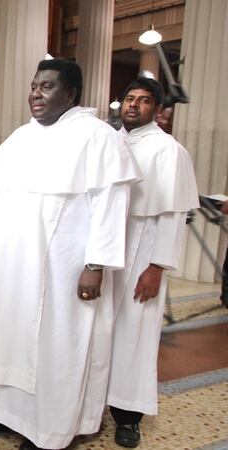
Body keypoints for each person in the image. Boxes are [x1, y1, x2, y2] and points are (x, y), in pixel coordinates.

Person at [0, 59, 140, 450]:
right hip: (9, 263)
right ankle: (4, 410)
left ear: (71, 94)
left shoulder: (97, 136)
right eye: (34, 86)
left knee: (55, 342)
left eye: (46, 87)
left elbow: (110, 205)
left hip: (61, 265)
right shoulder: (17, 138)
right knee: (4, 330)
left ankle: (48, 426)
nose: (36, 94)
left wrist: (95, 265)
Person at [106, 77, 199, 448]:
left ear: (157, 110)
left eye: (144, 101)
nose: (133, 105)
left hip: (142, 250)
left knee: (135, 333)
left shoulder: (168, 150)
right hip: (106, 251)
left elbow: (172, 214)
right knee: (99, 331)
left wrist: (157, 265)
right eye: (129, 98)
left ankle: (128, 416)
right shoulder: (108, 142)